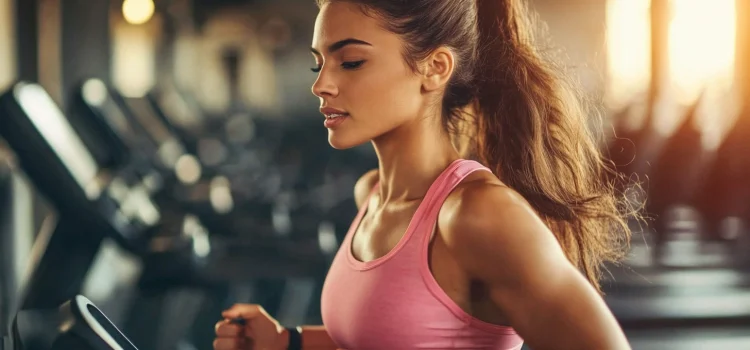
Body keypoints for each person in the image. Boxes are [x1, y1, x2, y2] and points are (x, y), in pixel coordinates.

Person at [214, 0, 636, 349]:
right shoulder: (373, 196)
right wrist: (288, 341)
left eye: (352, 62)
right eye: (318, 64)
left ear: (435, 68)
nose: (321, 84)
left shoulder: (477, 214)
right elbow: (388, 338)